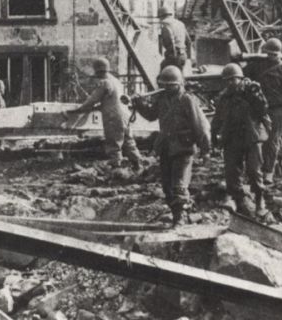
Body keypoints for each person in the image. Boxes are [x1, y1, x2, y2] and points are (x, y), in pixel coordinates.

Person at [131, 66, 210, 226]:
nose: (166, 88)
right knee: (167, 186)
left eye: (170, 85)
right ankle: (177, 215)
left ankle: (181, 217)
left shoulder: (187, 100)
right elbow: (151, 115)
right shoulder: (162, 99)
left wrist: (205, 150)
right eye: (164, 85)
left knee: (179, 185)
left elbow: (201, 126)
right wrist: (139, 104)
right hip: (166, 147)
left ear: (179, 84)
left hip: (183, 147)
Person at [211, 63, 270, 217]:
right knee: (231, 171)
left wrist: (256, 94)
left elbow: (263, 109)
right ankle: (239, 200)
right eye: (227, 80)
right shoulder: (224, 97)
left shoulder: (251, 91)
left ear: (240, 78)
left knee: (254, 170)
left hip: (251, 136)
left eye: (233, 79)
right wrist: (214, 136)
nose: (230, 83)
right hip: (232, 137)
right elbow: (218, 118)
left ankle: (260, 199)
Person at [64, 57, 142, 170]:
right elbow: (112, 100)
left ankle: (116, 169)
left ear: (97, 71)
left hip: (114, 117)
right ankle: (138, 165)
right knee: (128, 141)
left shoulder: (105, 83)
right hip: (125, 116)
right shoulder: (116, 81)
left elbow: (92, 100)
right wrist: (98, 107)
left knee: (114, 144)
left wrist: (79, 109)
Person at [245, 38, 282, 184]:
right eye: (268, 54)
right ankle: (265, 167)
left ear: (279, 54)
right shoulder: (257, 65)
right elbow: (243, 75)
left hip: (277, 109)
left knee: (272, 140)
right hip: (259, 108)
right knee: (258, 138)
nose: (271, 57)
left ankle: (268, 171)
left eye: (274, 54)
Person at [158, 5, 193, 70]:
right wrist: (189, 58)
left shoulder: (165, 24)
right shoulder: (180, 24)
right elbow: (189, 41)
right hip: (183, 56)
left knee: (163, 71)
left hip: (174, 57)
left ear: (161, 16)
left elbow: (170, 42)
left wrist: (172, 57)